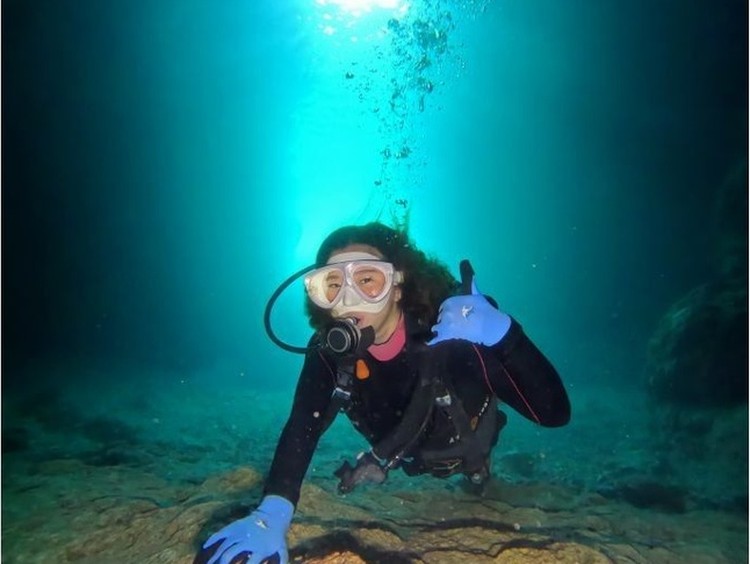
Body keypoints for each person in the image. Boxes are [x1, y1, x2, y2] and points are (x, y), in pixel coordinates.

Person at [198, 222, 570, 564]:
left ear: (397, 286)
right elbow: (303, 426)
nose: (349, 298)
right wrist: (271, 514)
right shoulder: (329, 353)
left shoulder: (452, 337)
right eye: (333, 284)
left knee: (474, 468)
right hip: (400, 454)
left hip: (463, 443)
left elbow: (554, 413)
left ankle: (480, 471)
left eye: (367, 279)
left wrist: (503, 334)